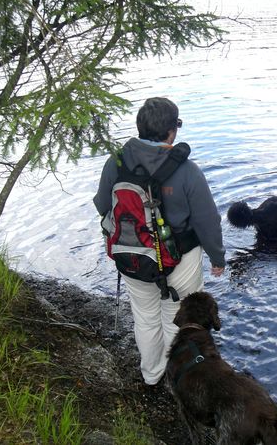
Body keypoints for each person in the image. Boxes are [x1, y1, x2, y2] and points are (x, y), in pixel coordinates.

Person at [94, 97, 225, 385]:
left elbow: (102, 205)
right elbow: (207, 220)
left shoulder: (115, 162)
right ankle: (176, 380)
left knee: (145, 317)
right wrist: (217, 258)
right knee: (176, 320)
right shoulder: (187, 170)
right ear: (171, 131)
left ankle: (151, 375)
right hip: (179, 259)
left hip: (132, 256)